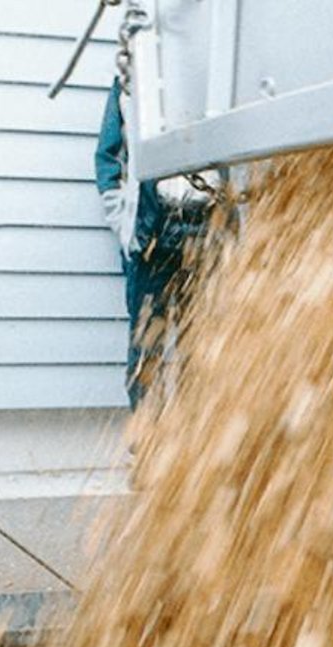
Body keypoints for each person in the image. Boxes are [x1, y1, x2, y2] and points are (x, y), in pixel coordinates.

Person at [95, 79, 215, 409]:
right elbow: (107, 157)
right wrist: (124, 223)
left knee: (202, 350)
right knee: (147, 352)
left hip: (208, 227)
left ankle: (195, 435)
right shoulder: (131, 77)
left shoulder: (219, 71)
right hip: (153, 232)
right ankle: (148, 437)